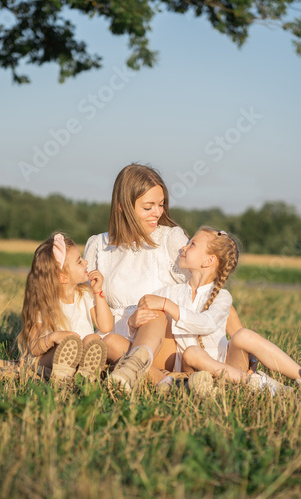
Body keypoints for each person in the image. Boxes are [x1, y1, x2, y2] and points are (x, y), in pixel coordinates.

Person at [84, 164, 244, 392]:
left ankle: (144, 371)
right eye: (148, 207)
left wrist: (239, 341)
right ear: (122, 207)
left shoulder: (170, 239)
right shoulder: (97, 245)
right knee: (95, 342)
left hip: (163, 340)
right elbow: (81, 303)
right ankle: (169, 382)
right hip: (118, 335)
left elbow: (208, 290)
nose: (158, 213)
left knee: (154, 311)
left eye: (161, 205)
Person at [111, 226, 301, 395]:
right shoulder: (171, 292)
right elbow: (145, 325)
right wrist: (132, 321)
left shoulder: (222, 297)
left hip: (227, 364)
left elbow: (206, 323)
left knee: (243, 335)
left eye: (192, 244)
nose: (183, 248)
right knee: (192, 353)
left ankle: (298, 374)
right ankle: (252, 383)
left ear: (209, 260)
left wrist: (168, 306)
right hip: (191, 369)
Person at [17, 233, 113, 380]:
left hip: (79, 356)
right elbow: (34, 347)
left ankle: (85, 373)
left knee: (93, 338)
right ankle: (63, 374)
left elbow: (105, 326)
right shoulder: (45, 305)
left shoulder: (85, 295)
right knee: (67, 347)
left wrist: (98, 291)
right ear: (63, 277)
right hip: (50, 359)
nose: (86, 262)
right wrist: (54, 337)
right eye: (79, 261)